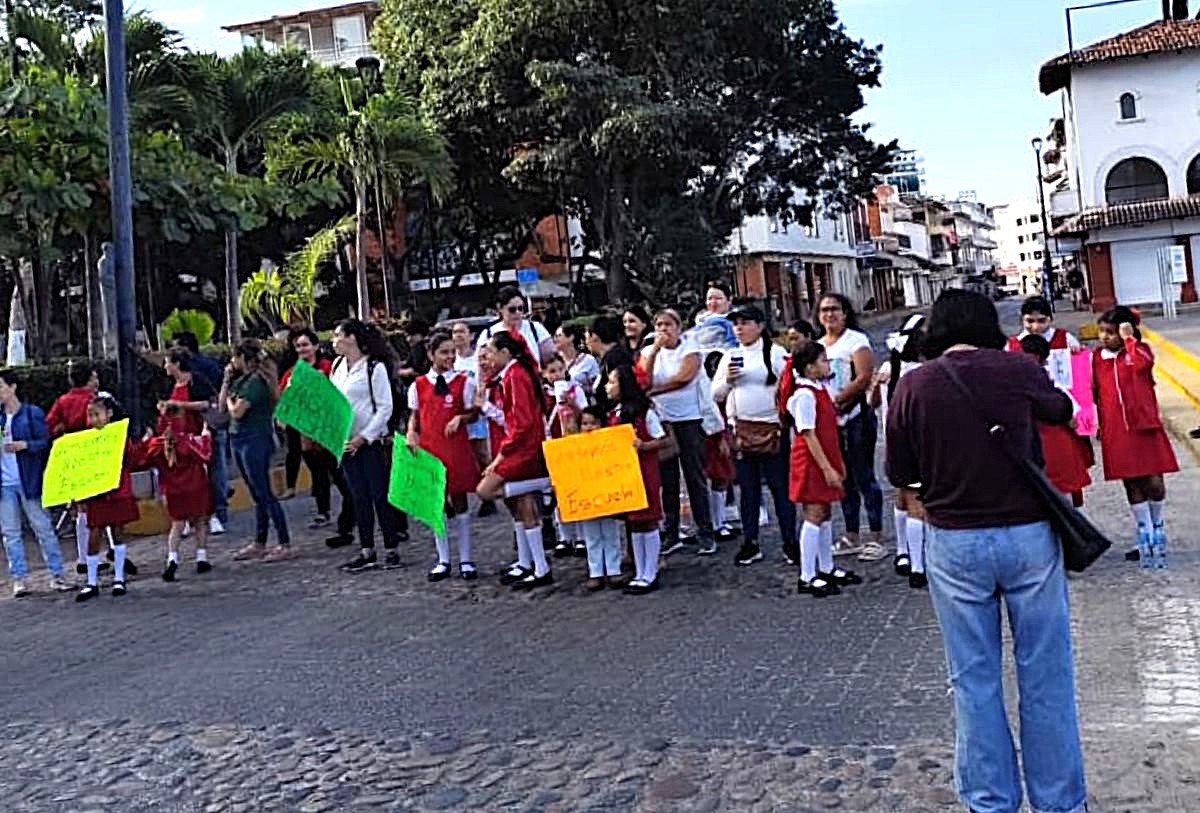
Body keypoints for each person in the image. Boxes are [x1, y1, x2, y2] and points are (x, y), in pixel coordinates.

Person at [886, 290, 1086, 813]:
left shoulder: (914, 385)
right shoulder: (1016, 367)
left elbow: (899, 472)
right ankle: (1060, 803)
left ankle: (990, 801)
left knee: (973, 679)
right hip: (1028, 535)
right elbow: (1062, 408)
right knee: (1046, 674)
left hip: (955, 540)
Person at [711, 303, 796, 567]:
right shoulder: (729, 356)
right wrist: (728, 379)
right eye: (736, 324)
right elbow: (716, 394)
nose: (740, 328)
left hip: (772, 429)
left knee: (780, 488)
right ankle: (750, 542)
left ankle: (790, 541)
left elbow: (789, 385)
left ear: (759, 326)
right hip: (742, 431)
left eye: (745, 323)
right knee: (748, 490)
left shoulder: (775, 353)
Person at [1093, 306, 1178, 568]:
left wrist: (1129, 339)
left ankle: (1158, 524)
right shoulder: (1097, 358)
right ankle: (1144, 531)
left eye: (1111, 332)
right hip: (1116, 429)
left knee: (1153, 480)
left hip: (1144, 425)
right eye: (1102, 331)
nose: (1104, 337)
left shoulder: (1140, 351)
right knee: (1130, 481)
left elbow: (1142, 365)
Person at [476, 332, 554, 590]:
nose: (488, 356)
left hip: (524, 449)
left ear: (505, 352)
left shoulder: (515, 375)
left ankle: (547, 483)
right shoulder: (512, 374)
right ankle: (534, 564)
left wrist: (500, 457)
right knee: (521, 505)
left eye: (491, 351)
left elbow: (521, 424)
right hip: (521, 445)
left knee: (486, 490)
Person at [330, 319, 408, 573]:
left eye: (338, 335)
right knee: (358, 497)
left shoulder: (374, 367)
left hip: (371, 442)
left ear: (351, 338)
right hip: (346, 443)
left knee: (379, 494)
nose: (334, 340)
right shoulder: (337, 366)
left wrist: (364, 437)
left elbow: (385, 407)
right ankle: (366, 549)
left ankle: (391, 546)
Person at [640, 308, 717, 556]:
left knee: (695, 477)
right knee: (667, 480)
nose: (664, 330)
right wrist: (654, 351)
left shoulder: (690, 347)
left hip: (689, 419)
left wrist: (654, 391)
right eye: (659, 325)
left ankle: (706, 532)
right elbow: (643, 378)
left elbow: (684, 377)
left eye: (668, 325)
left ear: (678, 327)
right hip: (662, 421)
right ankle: (671, 533)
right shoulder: (648, 351)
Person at [406, 331, 481, 581]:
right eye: (444, 352)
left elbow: (474, 413)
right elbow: (415, 416)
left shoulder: (463, 382)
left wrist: (461, 417)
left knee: (460, 501)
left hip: (456, 447)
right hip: (431, 450)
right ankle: (443, 559)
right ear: (431, 355)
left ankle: (466, 558)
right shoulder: (418, 385)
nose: (449, 357)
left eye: (452, 352)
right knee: (436, 504)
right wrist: (411, 432)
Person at [787, 342, 861, 597]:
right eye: (823, 361)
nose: (828, 365)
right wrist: (827, 468)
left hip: (825, 455)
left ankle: (826, 566)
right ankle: (807, 574)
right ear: (809, 367)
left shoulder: (820, 389)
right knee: (814, 512)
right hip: (812, 460)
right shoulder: (805, 395)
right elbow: (808, 434)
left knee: (825, 511)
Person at [817, 293, 884, 562]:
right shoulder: (818, 346)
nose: (829, 314)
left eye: (834, 309)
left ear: (845, 313)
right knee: (844, 480)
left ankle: (876, 536)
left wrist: (839, 401)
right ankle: (851, 535)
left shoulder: (856, 341)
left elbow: (864, 376)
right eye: (824, 310)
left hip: (857, 417)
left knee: (864, 476)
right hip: (831, 422)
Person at [278, 329, 357, 541]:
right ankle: (324, 512)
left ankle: (352, 511)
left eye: (305, 345)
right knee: (318, 473)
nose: (302, 349)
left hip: (329, 432)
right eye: (298, 346)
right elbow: (284, 398)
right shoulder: (293, 372)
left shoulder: (328, 367)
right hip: (306, 434)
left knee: (339, 475)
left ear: (315, 346)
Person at [0, 370, 73, 597]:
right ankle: (19, 578)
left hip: (29, 480)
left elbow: (44, 442)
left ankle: (57, 574)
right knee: (11, 532)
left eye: (1, 386)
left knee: (43, 528)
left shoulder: (31, 413)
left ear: (13, 387)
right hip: (5, 483)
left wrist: (26, 445)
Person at [871, 313, 929, 589]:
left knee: (903, 497)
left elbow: (872, 403)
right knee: (917, 502)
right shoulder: (920, 370)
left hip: (893, 441)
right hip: (917, 442)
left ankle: (903, 551)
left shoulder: (889, 367)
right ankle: (918, 566)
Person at [224, 339, 292, 562]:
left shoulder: (255, 382)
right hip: (238, 438)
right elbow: (224, 403)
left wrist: (231, 402)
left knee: (264, 492)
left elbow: (237, 411)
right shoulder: (240, 380)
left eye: (235, 357)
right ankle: (260, 541)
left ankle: (284, 542)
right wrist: (226, 383)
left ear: (243, 358)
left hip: (254, 439)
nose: (232, 361)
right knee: (256, 493)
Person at [604, 366, 669, 594]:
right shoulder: (615, 413)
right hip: (626, 474)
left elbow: (662, 440)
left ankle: (650, 571)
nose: (608, 386)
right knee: (634, 523)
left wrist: (644, 445)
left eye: (612, 382)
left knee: (648, 521)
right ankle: (640, 571)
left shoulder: (645, 413)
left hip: (645, 472)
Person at [137, 407, 214, 584]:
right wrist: (206, 435)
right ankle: (201, 557)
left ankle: (172, 559)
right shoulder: (188, 441)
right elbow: (205, 454)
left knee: (177, 526)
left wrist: (146, 439)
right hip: (195, 487)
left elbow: (141, 460)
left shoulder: (156, 446)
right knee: (200, 522)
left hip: (173, 492)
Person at [75, 395, 139, 601]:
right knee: (94, 533)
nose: (93, 419)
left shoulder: (120, 436)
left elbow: (131, 460)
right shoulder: (86, 439)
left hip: (117, 490)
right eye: (90, 415)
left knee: (118, 532)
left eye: (97, 414)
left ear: (109, 414)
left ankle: (119, 577)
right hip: (96, 493)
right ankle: (91, 582)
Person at [1019, 335, 1094, 509]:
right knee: (1065, 496)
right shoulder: (1055, 385)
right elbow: (1073, 421)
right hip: (1056, 445)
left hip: (1038, 445)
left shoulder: (1015, 385)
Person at [172, 331, 228, 535]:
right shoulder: (178, 379)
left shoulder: (198, 374)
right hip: (186, 433)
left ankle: (215, 514)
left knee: (213, 471)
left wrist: (179, 405)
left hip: (205, 428)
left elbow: (208, 401)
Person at [46, 361, 100, 572]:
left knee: (80, 507)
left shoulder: (62, 401)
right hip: (94, 456)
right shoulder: (94, 401)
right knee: (100, 506)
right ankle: (97, 555)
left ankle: (82, 556)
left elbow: (49, 425)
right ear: (89, 379)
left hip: (73, 458)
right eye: (94, 377)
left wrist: (63, 431)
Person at [453, 321, 498, 519]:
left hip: (476, 411)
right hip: (457, 412)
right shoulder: (451, 360)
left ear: (470, 336)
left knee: (481, 454)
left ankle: (489, 495)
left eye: (462, 332)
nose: (458, 336)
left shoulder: (476, 359)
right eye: (455, 332)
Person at [577, 407, 623, 591]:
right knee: (591, 535)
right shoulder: (574, 447)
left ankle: (614, 569)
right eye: (584, 424)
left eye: (593, 423)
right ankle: (595, 571)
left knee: (610, 532)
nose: (589, 427)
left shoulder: (609, 444)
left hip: (606, 495)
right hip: (586, 497)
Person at [1006, 295, 1080, 391]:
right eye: (1030, 321)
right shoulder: (1011, 346)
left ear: (1050, 319)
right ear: (1022, 320)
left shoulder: (1065, 338)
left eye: (1041, 321)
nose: (1035, 327)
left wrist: (1077, 352)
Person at [476, 286, 555, 367]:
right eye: (512, 309)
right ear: (500, 308)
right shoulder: (488, 334)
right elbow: (480, 367)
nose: (517, 313)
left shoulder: (536, 329)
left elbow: (551, 361)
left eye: (520, 308)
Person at [585, 315, 634, 411]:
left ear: (594, 336)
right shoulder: (609, 358)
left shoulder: (615, 358)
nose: (586, 342)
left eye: (586, 337)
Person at [687, 281, 738, 351]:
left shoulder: (733, 321)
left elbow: (733, 345)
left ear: (729, 300)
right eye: (710, 298)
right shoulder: (700, 320)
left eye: (718, 298)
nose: (713, 302)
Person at [555, 323, 601, 395]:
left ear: (571, 337)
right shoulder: (554, 361)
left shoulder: (588, 360)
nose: (555, 339)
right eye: (555, 336)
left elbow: (597, 387)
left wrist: (577, 388)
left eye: (559, 335)